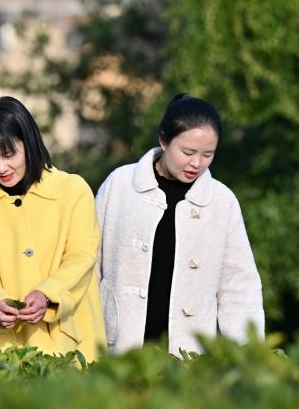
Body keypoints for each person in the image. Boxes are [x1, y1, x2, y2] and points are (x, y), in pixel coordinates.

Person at [95, 94, 264, 355]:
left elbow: (239, 288)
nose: (196, 163)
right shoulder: (120, 185)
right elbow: (91, 266)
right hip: (119, 351)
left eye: (208, 154)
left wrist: (248, 356)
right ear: (164, 140)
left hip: (188, 360)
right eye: (188, 152)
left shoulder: (222, 202)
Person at [0, 96, 105, 361]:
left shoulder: (73, 191)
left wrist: (49, 294)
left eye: (9, 154)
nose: (1, 168)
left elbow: (82, 256)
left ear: (29, 143)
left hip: (70, 343)